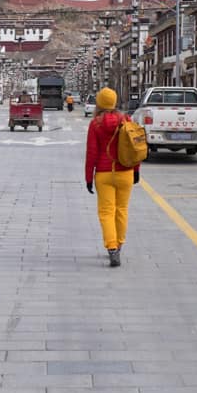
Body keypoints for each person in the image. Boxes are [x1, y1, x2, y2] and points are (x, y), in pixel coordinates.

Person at [84, 87, 140, 268]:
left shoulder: (95, 124)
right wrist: (136, 169)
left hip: (103, 173)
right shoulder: (126, 120)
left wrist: (88, 178)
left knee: (106, 212)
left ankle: (112, 247)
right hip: (125, 172)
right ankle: (119, 244)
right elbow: (134, 146)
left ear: (99, 103)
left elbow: (91, 153)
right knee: (122, 209)